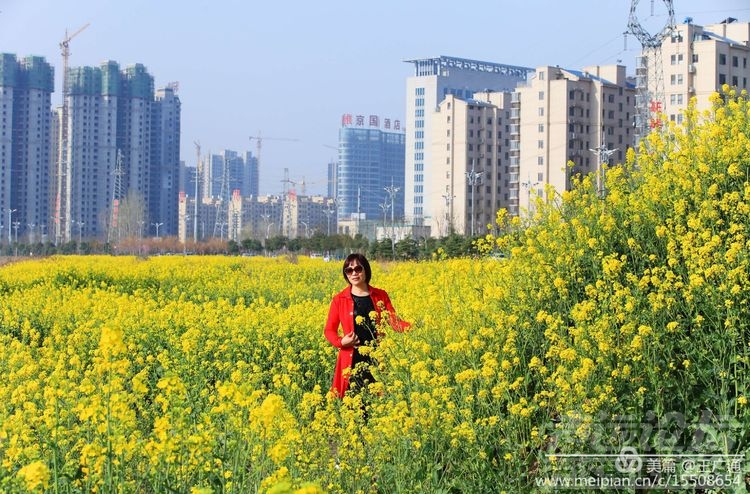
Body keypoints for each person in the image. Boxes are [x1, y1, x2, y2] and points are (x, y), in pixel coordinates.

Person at [324, 253, 410, 398]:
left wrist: (419, 326)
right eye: (349, 270)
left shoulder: (380, 295)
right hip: (351, 360)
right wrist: (341, 342)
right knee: (353, 404)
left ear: (366, 270)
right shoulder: (339, 299)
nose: (354, 273)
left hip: (376, 359)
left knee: (379, 401)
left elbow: (394, 322)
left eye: (358, 268)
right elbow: (329, 330)